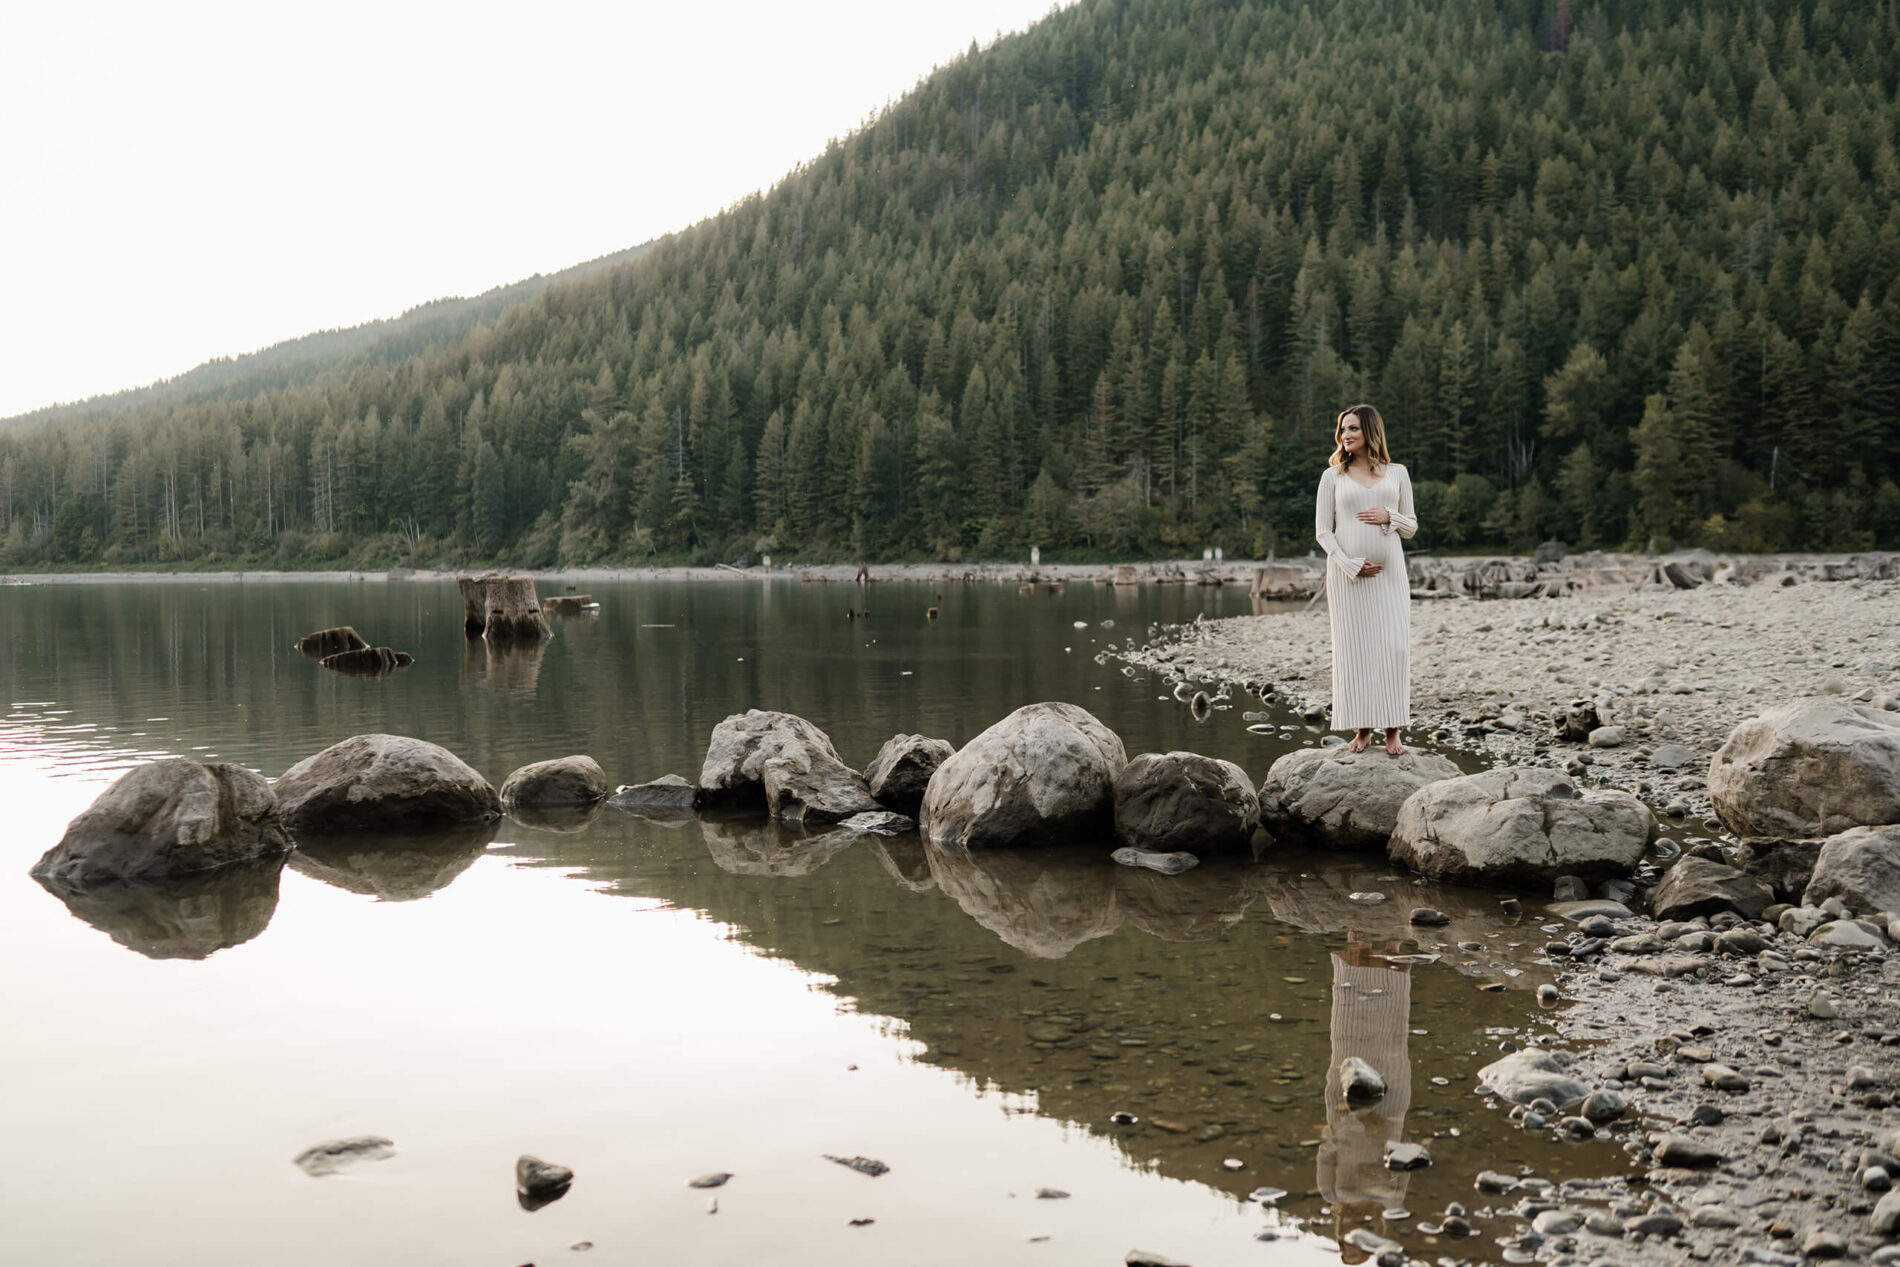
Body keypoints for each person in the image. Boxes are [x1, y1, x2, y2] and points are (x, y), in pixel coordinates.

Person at [1313, 404, 1417, 755]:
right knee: (1355, 650)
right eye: (1343, 429)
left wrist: (1391, 515)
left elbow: (1412, 527)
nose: (1346, 435)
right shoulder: (1333, 477)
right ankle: (1362, 730)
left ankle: (1393, 731)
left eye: (1353, 428)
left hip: (1391, 577)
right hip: (1348, 579)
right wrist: (1349, 563)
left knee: (1393, 648)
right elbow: (1323, 532)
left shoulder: (1397, 473)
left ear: (1371, 431)